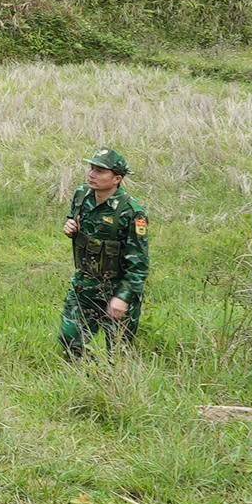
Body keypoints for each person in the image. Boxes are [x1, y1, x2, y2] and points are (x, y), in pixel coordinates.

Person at [60, 148, 149, 359]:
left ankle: (112, 386)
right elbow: (77, 223)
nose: (92, 174)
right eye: (91, 168)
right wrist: (71, 228)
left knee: (118, 352)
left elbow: (139, 264)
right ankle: (86, 378)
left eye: (100, 171)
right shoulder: (82, 195)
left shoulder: (132, 212)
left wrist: (123, 298)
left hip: (117, 287)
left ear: (117, 178)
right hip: (85, 283)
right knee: (70, 338)